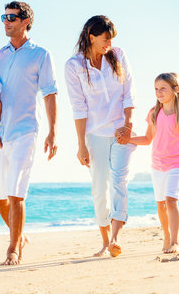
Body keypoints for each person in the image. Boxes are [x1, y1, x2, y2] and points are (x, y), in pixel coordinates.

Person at [0, 1, 58, 265]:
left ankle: (13, 249)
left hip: (26, 131)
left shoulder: (41, 55)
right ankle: (20, 235)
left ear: (26, 21)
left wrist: (53, 131)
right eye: (4, 17)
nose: (6, 21)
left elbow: (49, 94)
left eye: (11, 17)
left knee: (16, 192)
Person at [64, 15, 136, 257]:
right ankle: (105, 241)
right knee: (99, 189)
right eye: (105, 39)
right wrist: (81, 144)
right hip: (94, 134)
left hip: (120, 131)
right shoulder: (74, 66)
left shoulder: (118, 56)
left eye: (112, 39)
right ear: (91, 37)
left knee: (119, 182)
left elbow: (128, 94)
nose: (109, 43)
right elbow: (78, 107)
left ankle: (115, 238)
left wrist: (127, 125)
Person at [128, 73, 179, 254]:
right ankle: (167, 236)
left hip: (177, 164)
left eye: (163, 88)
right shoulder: (154, 113)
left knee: (171, 200)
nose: (159, 92)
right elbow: (147, 139)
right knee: (161, 204)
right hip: (157, 165)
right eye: (156, 89)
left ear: (175, 89)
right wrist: (127, 140)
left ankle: (175, 242)